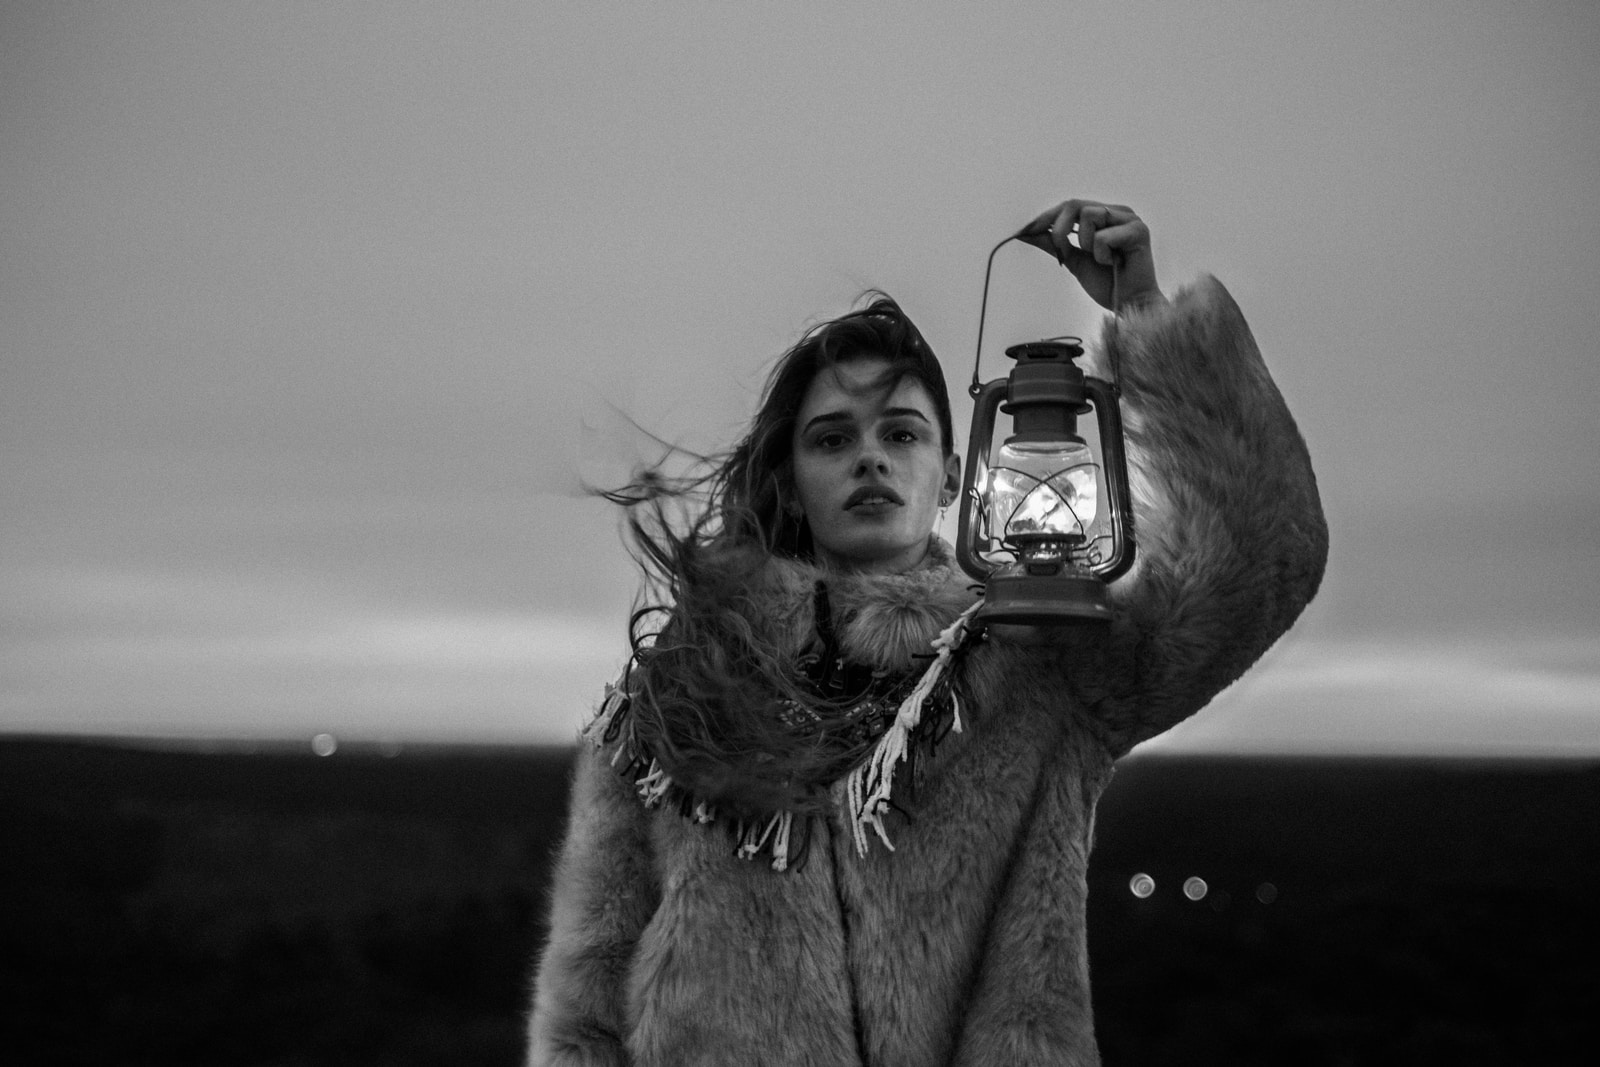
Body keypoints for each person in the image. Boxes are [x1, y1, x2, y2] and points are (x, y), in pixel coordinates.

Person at [526, 199, 1328, 1066]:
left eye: (900, 433)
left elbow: (1260, 560)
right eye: (833, 438)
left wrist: (1141, 312)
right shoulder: (681, 689)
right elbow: (585, 1001)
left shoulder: (1040, 662)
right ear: (793, 481)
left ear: (955, 474)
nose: (870, 457)